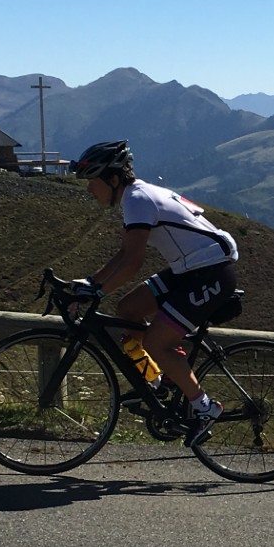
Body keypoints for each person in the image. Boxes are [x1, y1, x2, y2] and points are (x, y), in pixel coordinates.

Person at [68, 139, 239, 445]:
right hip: (190, 268)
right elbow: (124, 253)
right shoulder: (135, 196)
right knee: (128, 310)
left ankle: (205, 407)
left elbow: (133, 263)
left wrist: (97, 293)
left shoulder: (137, 199)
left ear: (114, 179)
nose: (89, 189)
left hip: (210, 270)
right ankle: (157, 383)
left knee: (157, 342)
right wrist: (91, 283)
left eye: (92, 181)